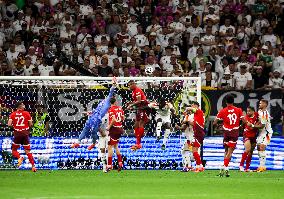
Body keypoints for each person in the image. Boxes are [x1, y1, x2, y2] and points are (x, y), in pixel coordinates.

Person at [71, 78, 117, 148]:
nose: (110, 96)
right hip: (93, 116)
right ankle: (78, 142)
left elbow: (111, 91)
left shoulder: (108, 103)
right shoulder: (104, 100)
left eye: (111, 96)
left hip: (97, 119)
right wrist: (89, 112)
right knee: (85, 129)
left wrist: (114, 84)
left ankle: (93, 143)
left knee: (93, 132)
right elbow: (97, 109)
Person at [213, 94, 244, 177]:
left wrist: (219, 128)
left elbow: (215, 122)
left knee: (226, 151)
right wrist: (240, 126)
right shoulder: (238, 110)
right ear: (233, 101)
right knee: (230, 151)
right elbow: (244, 120)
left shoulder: (222, 111)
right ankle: (225, 167)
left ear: (226, 102)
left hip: (226, 133)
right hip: (234, 132)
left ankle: (224, 168)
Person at [8, 101, 36, 172]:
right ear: (19, 106)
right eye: (23, 104)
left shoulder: (13, 114)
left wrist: (15, 126)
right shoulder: (26, 113)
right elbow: (30, 124)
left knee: (14, 150)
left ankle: (19, 157)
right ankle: (33, 167)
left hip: (17, 134)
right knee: (28, 151)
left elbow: (9, 124)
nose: (24, 105)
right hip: (25, 134)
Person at [181, 102, 205, 172]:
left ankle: (197, 166)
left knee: (194, 151)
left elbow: (193, 123)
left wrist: (187, 108)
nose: (192, 106)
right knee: (194, 151)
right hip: (197, 134)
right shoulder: (196, 115)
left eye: (193, 105)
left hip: (198, 133)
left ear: (196, 106)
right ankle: (199, 166)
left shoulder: (199, 112)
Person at [127, 80, 149, 151]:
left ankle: (139, 143)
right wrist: (132, 104)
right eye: (128, 85)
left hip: (144, 108)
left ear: (133, 84)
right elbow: (137, 101)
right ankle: (137, 142)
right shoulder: (134, 91)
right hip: (139, 109)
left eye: (130, 85)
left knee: (140, 124)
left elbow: (139, 101)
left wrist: (131, 105)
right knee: (135, 125)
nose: (129, 87)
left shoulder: (137, 90)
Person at [106, 97, 125, 172]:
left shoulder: (111, 109)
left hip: (114, 129)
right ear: (115, 101)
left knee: (110, 147)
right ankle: (120, 163)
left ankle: (109, 165)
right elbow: (123, 118)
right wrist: (119, 122)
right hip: (120, 128)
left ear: (110, 103)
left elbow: (113, 119)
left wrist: (109, 127)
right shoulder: (120, 108)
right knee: (116, 146)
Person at [239, 106, 260, 172]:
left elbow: (259, 122)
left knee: (251, 152)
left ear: (253, 111)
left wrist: (258, 123)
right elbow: (250, 127)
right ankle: (241, 165)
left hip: (253, 136)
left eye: (249, 111)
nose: (247, 112)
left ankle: (247, 168)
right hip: (247, 135)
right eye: (247, 111)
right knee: (247, 149)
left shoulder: (257, 115)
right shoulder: (246, 118)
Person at [256, 99, 273, 172]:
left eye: (261, 103)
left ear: (265, 105)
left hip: (266, 133)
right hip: (261, 133)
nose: (259, 104)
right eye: (259, 103)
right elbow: (259, 121)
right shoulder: (259, 111)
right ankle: (261, 166)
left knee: (262, 147)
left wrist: (253, 126)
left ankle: (263, 167)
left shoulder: (265, 114)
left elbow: (262, 125)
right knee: (259, 148)